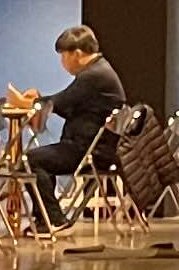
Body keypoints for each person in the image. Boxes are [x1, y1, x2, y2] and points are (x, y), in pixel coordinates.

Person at [25, 23, 124, 213]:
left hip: (90, 151)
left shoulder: (93, 75)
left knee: (30, 160)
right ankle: (45, 217)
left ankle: (51, 218)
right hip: (96, 147)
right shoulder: (100, 70)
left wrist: (34, 101)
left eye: (63, 56)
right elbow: (69, 105)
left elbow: (62, 101)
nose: (62, 62)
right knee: (37, 159)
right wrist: (41, 100)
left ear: (76, 54)